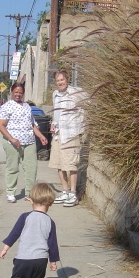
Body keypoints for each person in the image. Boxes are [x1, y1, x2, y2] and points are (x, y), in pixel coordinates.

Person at [0, 183, 59, 278]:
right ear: (50, 203)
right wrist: (53, 261)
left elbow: (14, 234)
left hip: (23, 258)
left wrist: (5, 248)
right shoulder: (50, 222)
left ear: (30, 200)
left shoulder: (25, 217)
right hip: (41, 260)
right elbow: (52, 244)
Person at [0, 82, 49, 203]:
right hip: (13, 143)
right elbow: (0, 125)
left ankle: (29, 193)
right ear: (12, 92)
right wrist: (12, 139)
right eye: (16, 92)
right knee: (13, 167)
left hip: (29, 142)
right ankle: (10, 192)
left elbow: (32, 124)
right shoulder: (7, 106)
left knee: (31, 168)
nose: (18, 95)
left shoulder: (27, 106)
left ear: (23, 94)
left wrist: (41, 136)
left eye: (20, 93)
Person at [48, 69, 88, 207]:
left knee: (71, 165)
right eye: (58, 80)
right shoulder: (55, 94)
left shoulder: (76, 93)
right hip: (58, 134)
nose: (60, 82)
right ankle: (65, 191)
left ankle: (73, 193)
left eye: (62, 79)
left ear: (67, 79)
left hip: (71, 134)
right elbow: (56, 114)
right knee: (59, 164)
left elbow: (89, 103)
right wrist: (53, 124)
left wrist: (81, 123)